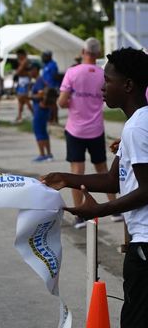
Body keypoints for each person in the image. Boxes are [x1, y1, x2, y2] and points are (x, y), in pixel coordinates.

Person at [41, 47, 148, 327]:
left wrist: (99, 209)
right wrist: (68, 178)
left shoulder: (137, 128)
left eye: (108, 80)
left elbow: (147, 189)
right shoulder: (136, 124)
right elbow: (115, 179)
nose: (101, 87)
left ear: (128, 85)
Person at [58, 37, 121, 229]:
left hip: (76, 129)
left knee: (77, 171)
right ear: (97, 52)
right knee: (103, 170)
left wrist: (71, 101)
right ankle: (114, 210)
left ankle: (80, 214)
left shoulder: (72, 72)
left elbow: (61, 102)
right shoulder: (103, 74)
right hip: (96, 128)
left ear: (83, 51)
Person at [29, 63, 54, 162]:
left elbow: (40, 95)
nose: (30, 72)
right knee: (44, 132)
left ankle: (42, 154)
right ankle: (48, 154)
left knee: (38, 131)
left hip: (40, 110)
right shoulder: (42, 80)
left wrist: (30, 96)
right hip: (44, 110)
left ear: (35, 69)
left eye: (31, 70)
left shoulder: (39, 81)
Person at [41, 50, 60, 125]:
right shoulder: (46, 65)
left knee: (53, 104)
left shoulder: (53, 65)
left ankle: (55, 119)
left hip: (52, 87)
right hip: (46, 87)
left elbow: (55, 76)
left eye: (45, 56)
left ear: (49, 56)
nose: (43, 58)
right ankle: (50, 119)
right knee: (48, 104)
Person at [14, 48, 33, 123]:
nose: (18, 57)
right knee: (20, 99)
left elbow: (19, 71)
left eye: (18, 55)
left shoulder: (25, 61)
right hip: (21, 80)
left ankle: (34, 114)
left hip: (25, 81)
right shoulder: (21, 61)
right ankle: (19, 116)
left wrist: (18, 69)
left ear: (22, 55)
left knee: (25, 99)